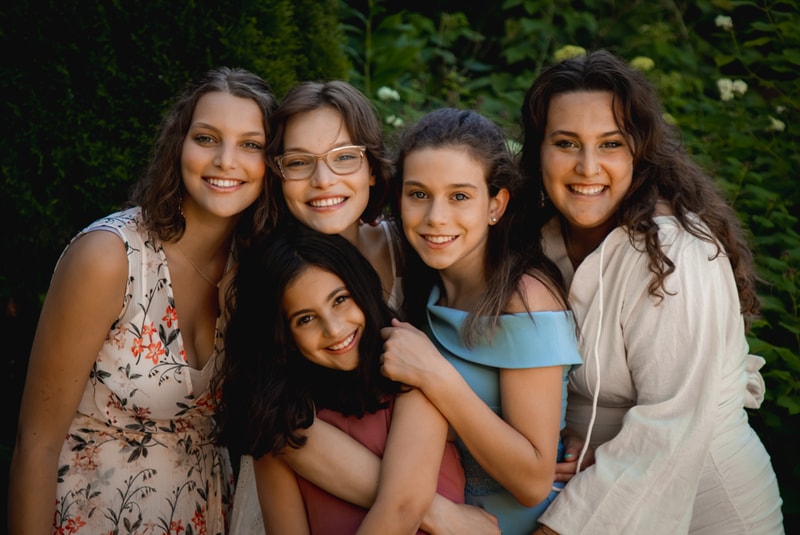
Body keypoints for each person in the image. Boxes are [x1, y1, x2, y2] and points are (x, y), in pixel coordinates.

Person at [518, 49, 785, 534]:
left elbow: (672, 428)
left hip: (704, 507)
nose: (587, 165)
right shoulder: (538, 241)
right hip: (587, 486)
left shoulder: (676, 255)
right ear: (538, 150)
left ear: (640, 152)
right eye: (566, 142)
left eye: (611, 144)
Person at [8, 66, 277, 534]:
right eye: (207, 138)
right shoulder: (109, 258)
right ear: (179, 146)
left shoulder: (256, 270)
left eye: (250, 145)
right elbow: (35, 444)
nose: (226, 161)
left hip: (206, 516)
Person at [376, 107, 583, 535]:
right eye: (418, 194)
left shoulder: (524, 300)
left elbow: (532, 480)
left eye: (459, 196)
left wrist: (436, 376)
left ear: (495, 205)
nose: (435, 217)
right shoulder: (427, 290)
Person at [215, 225, 466, 534]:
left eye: (340, 300)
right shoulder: (276, 433)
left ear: (361, 290)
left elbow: (403, 507)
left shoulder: (411, 377)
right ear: (285, 337)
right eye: (305, 319)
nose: (333, 329)